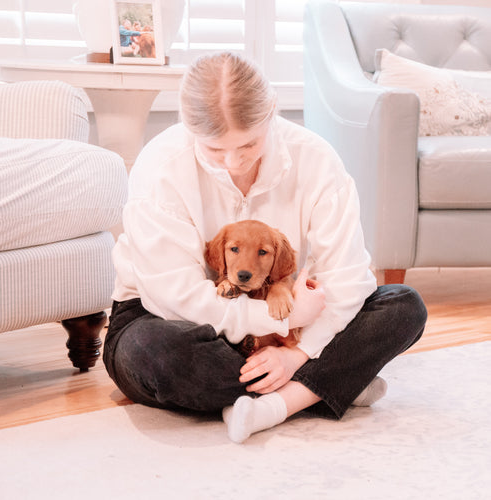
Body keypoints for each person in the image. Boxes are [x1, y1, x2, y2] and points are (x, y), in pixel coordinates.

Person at [103, 52, 427, 443]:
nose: (234, 163)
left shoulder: (317, 160)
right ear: (189, 128)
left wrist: (297, 352)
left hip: (290, 312)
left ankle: (277, 402)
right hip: (169, 319)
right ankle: (327, 384)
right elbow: (176, 300)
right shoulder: (160, 167)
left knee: (403, 307)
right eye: (214, 150)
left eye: (248, 144)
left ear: (271, 112)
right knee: (155, 353)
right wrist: (279, 321)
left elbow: (348, 279)